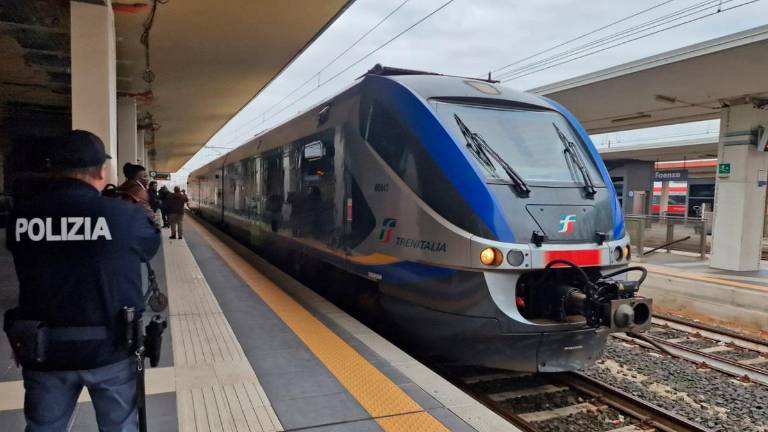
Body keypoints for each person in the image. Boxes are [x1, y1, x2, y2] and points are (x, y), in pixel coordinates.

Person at [4, 130, 160, 431]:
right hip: (111, 349)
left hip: (43, 349)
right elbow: (149, 245)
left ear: (53, 169)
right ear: (102, 171)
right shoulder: (123, 216)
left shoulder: (22, 216)